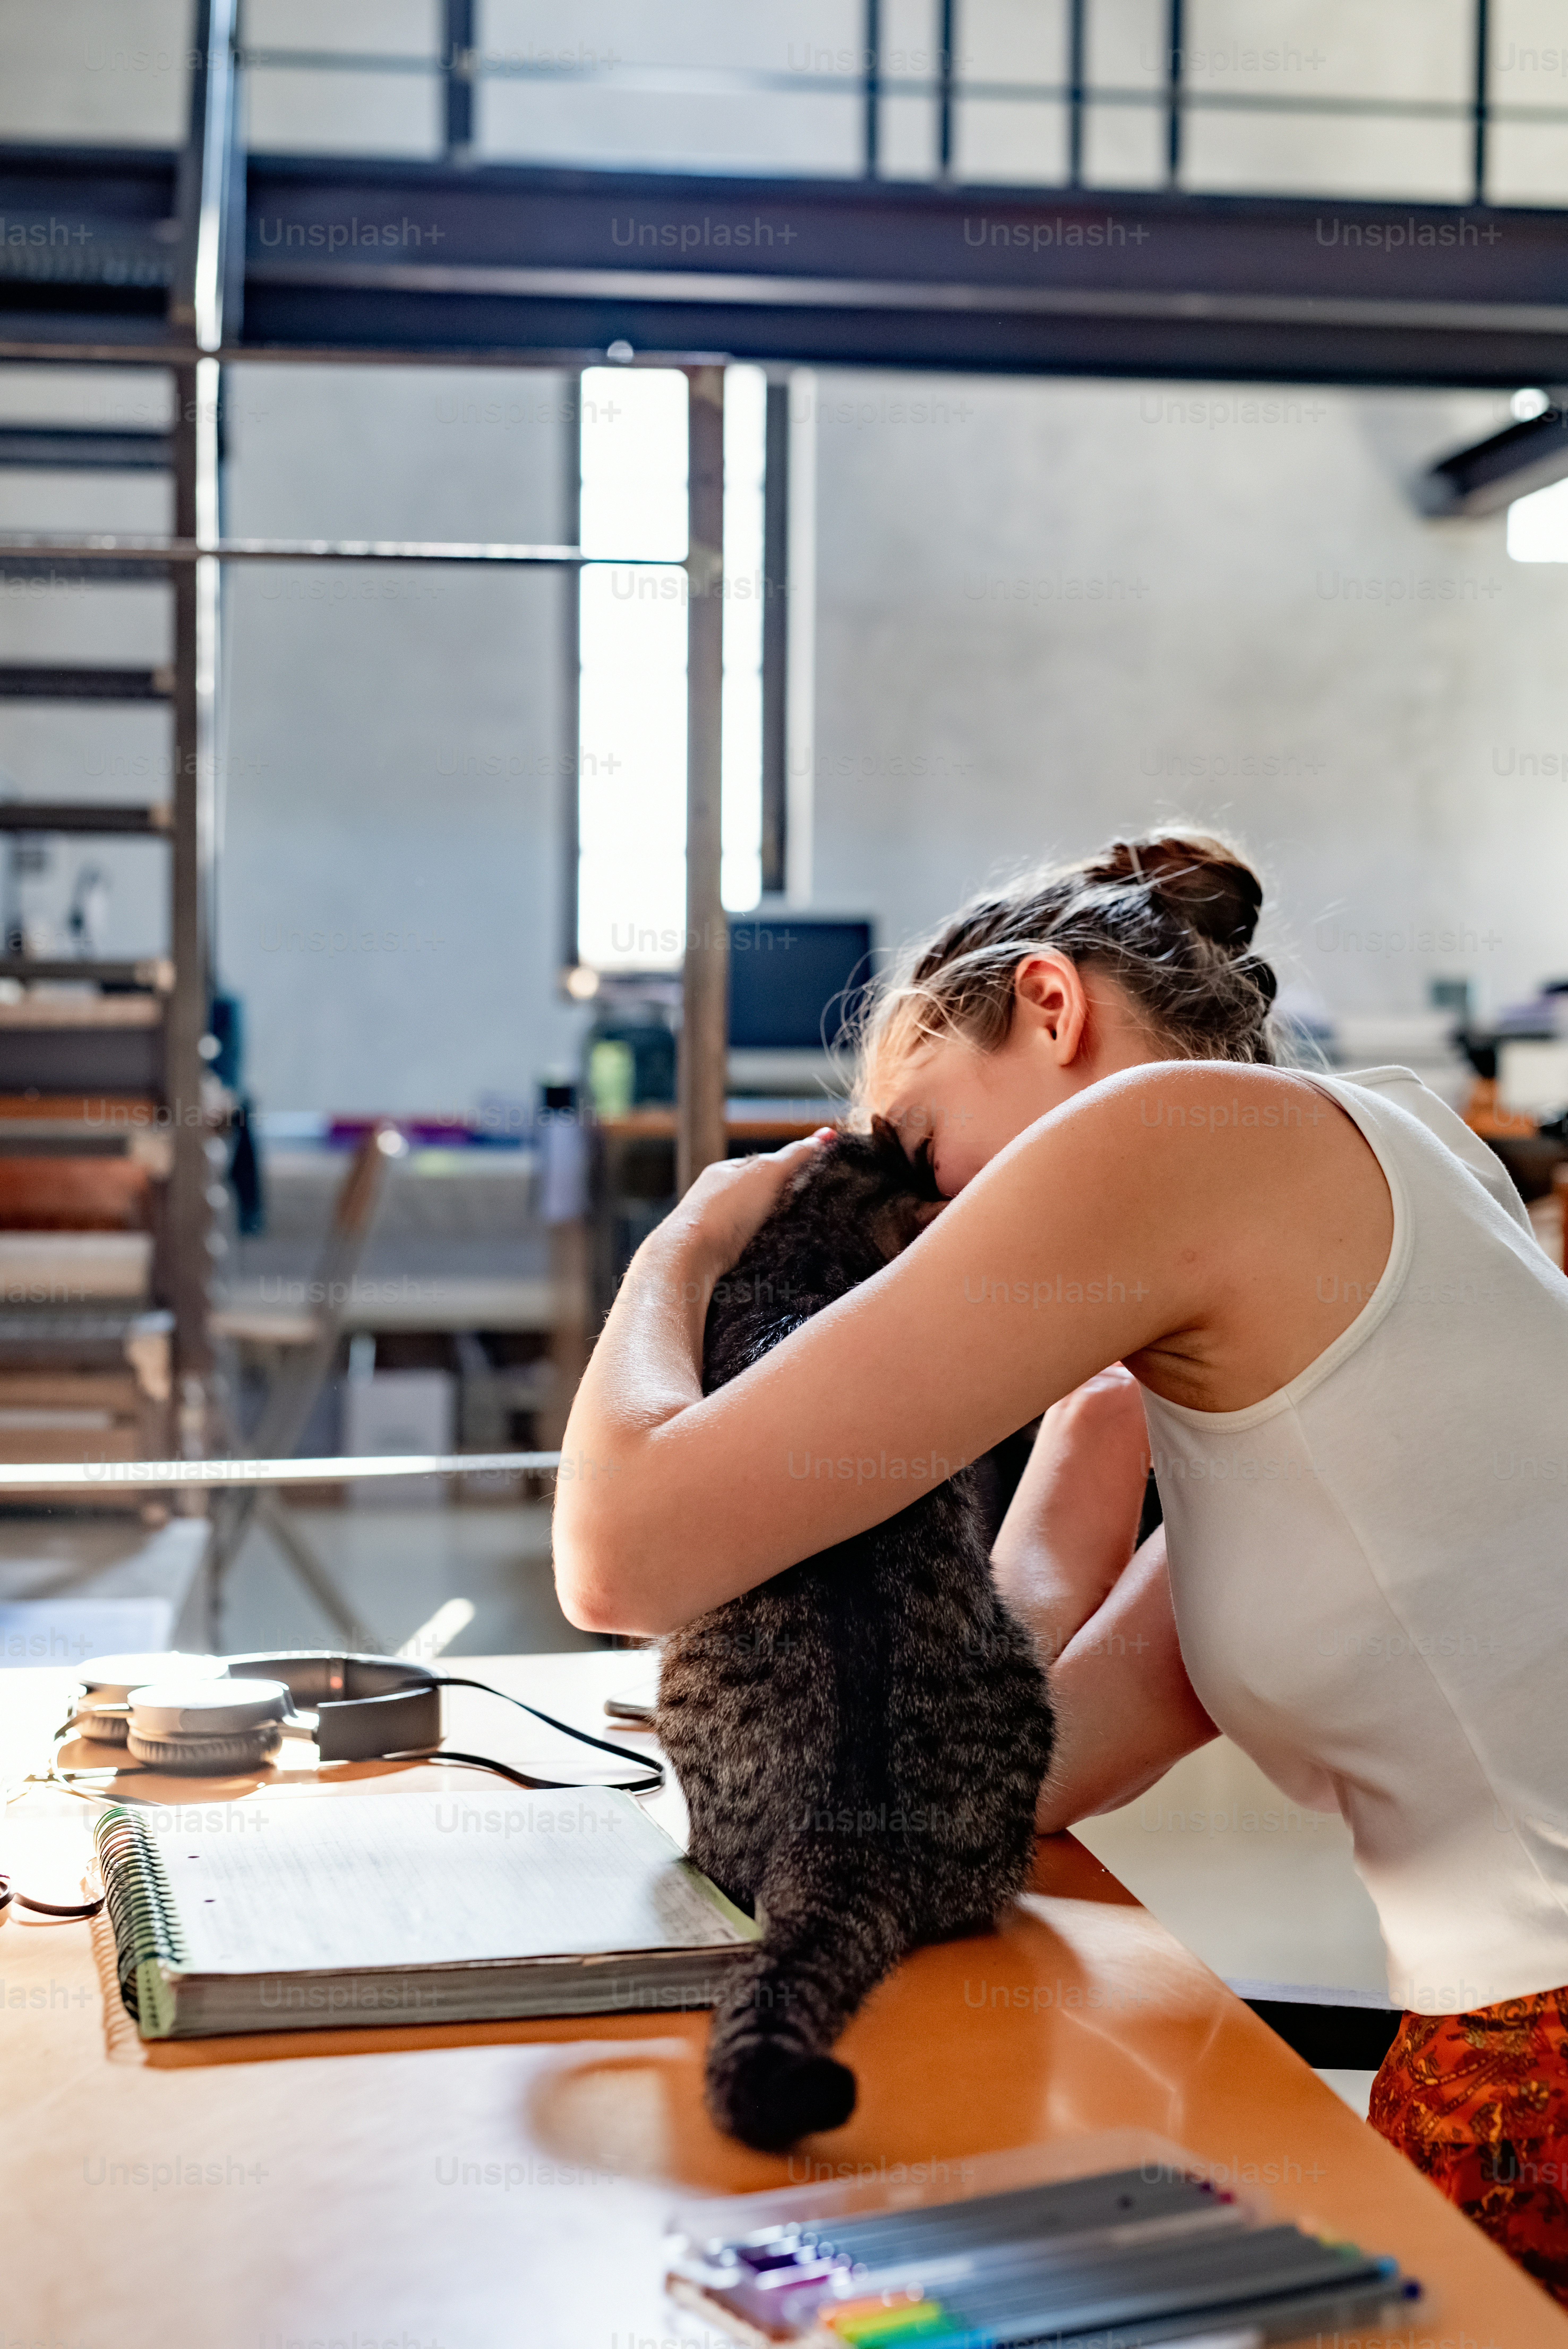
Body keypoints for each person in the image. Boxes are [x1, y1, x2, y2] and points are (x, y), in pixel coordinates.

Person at [554, 831, 1568, 2303]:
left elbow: (615, 1558)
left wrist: (695, 1238)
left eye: (915, 1150)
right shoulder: (1387, 1152)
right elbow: (1031, 1758)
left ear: (1049, 1006)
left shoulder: (1158, 1131)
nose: (910, 1232)